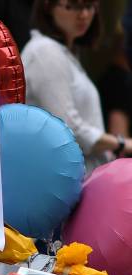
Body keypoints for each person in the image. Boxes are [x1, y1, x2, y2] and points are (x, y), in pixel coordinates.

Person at [22, 0, 132, 172]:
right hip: (66, 185)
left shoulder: (63, 52)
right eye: (72, 6)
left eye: (89, 6)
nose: (84, 15)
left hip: (80, 181)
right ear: (48, 7)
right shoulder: (44, 51)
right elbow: (66, 128)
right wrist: (121, 143)